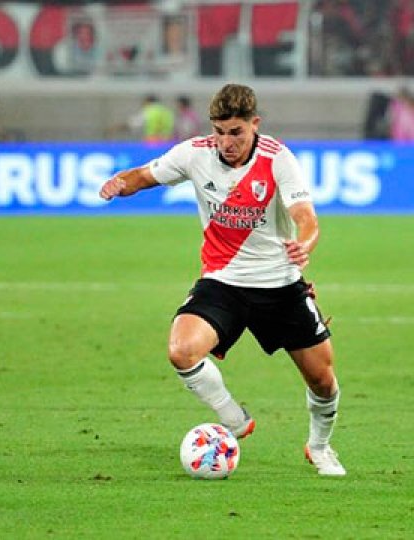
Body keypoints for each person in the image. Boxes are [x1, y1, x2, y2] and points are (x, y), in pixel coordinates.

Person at [99, 83, 346, 476]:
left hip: (280, 284)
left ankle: (319, 447)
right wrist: (119, 183)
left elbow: (306, 217)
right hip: (223, 282)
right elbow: (145, 176)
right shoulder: (195, 153)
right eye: (219, 131)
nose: (226, 142)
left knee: (323, 379)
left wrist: (306, 244)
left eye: (236, 132)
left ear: (254, 125)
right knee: (181, 350)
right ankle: (232, 418)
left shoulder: (277, 159)